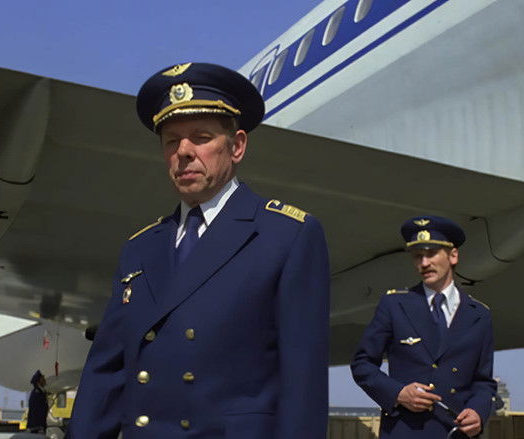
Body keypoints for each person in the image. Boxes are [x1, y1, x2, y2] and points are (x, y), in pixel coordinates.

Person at [67, 62, 330, 438]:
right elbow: (105, 374)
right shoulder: (140, 248)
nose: (184, 152)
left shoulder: (285, 235)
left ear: (237, 146)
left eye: (201, 137)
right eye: (171, 141)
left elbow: (303, 384)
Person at [351, 216, 496, 438]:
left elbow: (483, 382)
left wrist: (478, 412)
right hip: (405, 430)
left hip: (455, 432)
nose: (424, 263)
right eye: (418, 256)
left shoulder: (479, 315)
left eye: (431, 253)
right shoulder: (395, 305)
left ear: (453, 255)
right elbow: (362, 364)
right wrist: (398, 393)